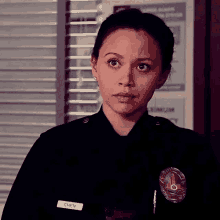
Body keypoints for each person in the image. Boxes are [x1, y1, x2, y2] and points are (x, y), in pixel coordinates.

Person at [1, 8, 219, 220]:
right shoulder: (54, 148)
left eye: (143, 67)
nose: (126, 80)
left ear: (162, 75)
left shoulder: (191, 152)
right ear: (94, 65)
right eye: (113, 62)